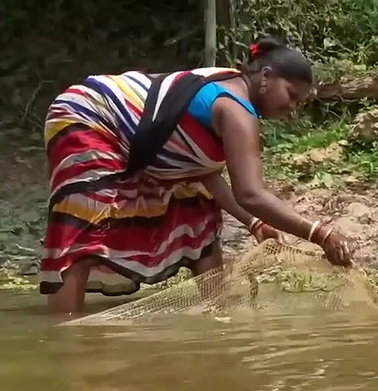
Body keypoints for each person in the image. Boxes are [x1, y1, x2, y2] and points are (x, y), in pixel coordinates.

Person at [39, 35, 355, 315]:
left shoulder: (233, 94)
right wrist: (321, 234)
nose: (293, 108)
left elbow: (206, 175)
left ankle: (215, 313)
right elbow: (251, 194)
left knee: (198, 211)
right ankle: (66, 331)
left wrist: (255, 224)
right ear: (266, 77)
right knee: (88, 220)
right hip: (88, 115)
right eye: (291, 95)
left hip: (135, 143)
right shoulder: (235, 108)